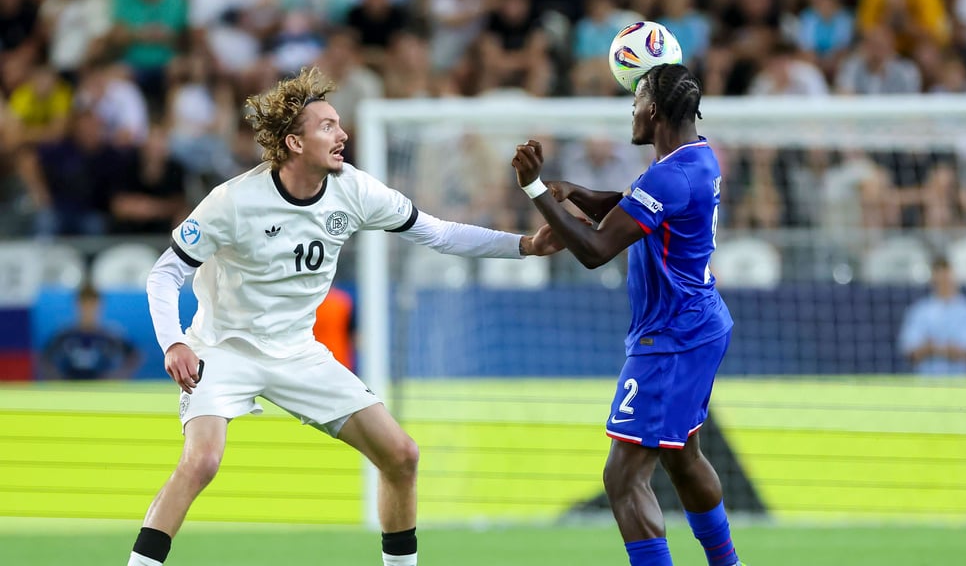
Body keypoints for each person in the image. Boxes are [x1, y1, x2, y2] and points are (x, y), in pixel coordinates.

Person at [128, 66, 563, 566]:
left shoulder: (354, 189)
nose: (344, 134)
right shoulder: (232, 201)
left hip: (299, 353)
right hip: (222, 349)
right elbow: (163, 275)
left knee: (401, 456)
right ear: (294, 142)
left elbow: (438, 233)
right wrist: (175, 342)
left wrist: (525, 245)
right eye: (328, 126)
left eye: (340, 124)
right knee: (201, 461)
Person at [511, 63, 742, 566]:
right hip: (700, 324)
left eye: (634, 102)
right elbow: (633, 208)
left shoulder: (670, 175)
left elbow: (596, 251)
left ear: (653, 109)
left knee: (622, 477)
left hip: (671, 337)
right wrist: (573, 192)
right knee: (683, 455)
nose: (630, 112)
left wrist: (532, 190)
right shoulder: (696, 160)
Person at [899, 257, 966, 375]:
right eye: (940, 276)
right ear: (933, 278)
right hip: (925, 384)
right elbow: (911, 352)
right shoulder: (918, 310)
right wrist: (948, 348)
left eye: (947, 276)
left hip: (961, 384)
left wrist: (932, 348)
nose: (944, 281)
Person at [40, 284, 141, 381]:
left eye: (92, 305)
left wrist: (117, 377)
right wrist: (56, 378)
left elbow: (134, 356)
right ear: (77, 305)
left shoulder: (111, 336)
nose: (88, 310)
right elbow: (43, 357)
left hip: (101, 390)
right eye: (84, 305)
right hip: (70, 389)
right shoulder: (64, 335)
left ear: (100, 306)